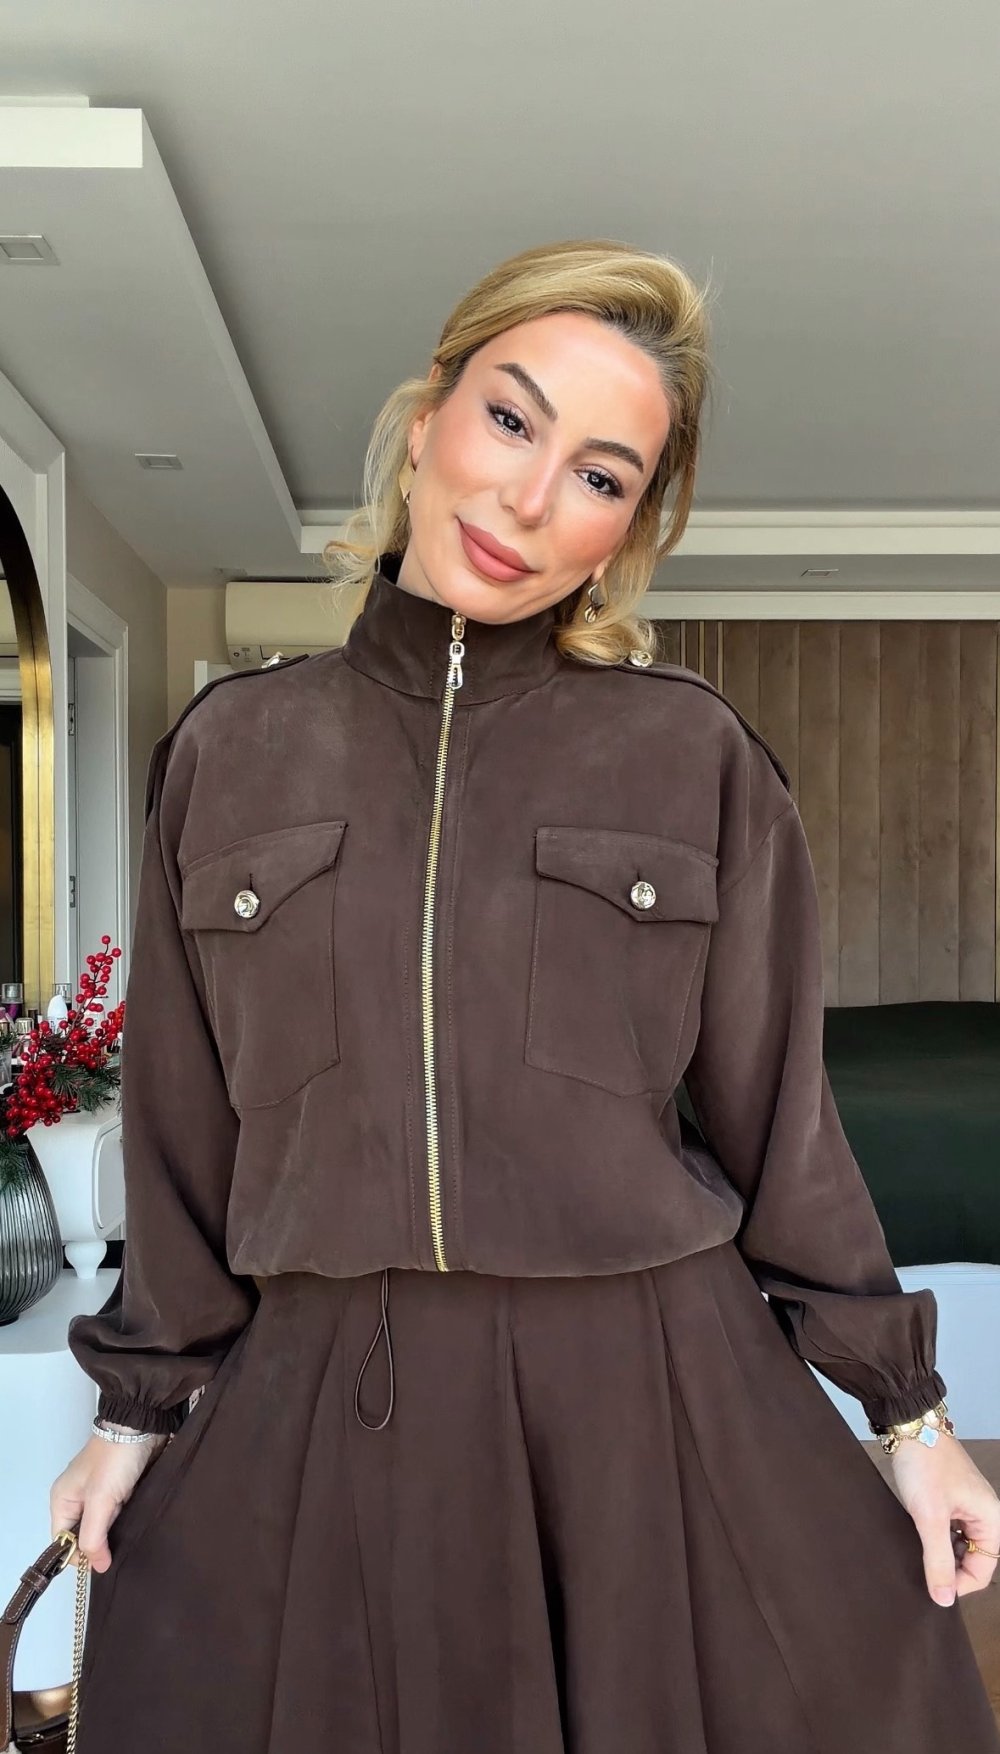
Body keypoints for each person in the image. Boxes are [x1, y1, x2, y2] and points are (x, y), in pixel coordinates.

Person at [51, 239, 1000, 1754]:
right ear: (429, 412)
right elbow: (182, 1136)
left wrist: (911, 1416)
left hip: (646, 1388)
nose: (530, 496)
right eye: (510, 419)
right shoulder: (229, 753)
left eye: (601, 475)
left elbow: (784, 1130)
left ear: (630, 529)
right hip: (335, 1388)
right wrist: (133, 1412)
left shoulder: (693, 758)